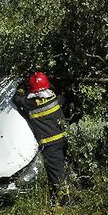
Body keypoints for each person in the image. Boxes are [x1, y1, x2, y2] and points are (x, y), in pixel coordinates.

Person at [12, 71, 69, 206]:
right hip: (63, 140)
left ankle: (65, 203)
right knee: (62, 170)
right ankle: (58, 199)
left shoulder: (29, 103)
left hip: (50, 145)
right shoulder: (54, 98)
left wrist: (20, 85)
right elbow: (62, 97)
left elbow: (16, 99)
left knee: (56, 174)